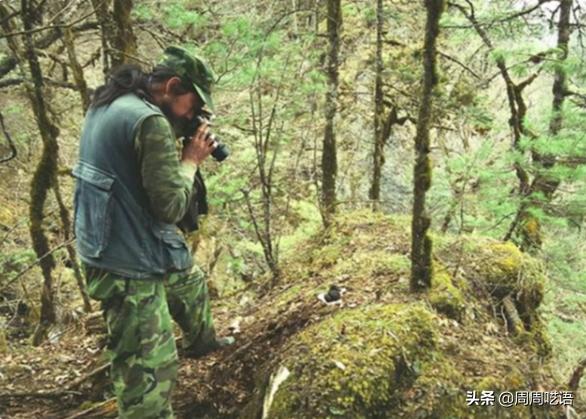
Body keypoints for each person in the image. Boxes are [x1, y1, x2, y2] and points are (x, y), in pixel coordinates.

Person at [73, 46, 234, 419]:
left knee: (188, 281)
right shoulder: (150, 122)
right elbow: (171, 207)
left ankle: (202, 342)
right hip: (127, 262)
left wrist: (180, 127)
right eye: (193, 104)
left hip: (114, 238)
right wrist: (190, 160)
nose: (194, 114)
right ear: (173, 86)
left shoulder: (110, 102)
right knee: (149, 373)